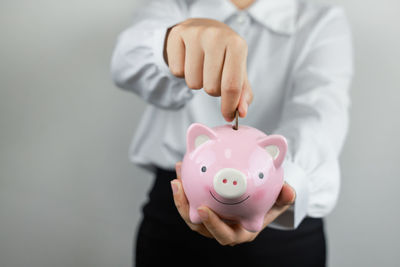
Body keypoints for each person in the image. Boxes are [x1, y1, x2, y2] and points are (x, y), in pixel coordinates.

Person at [111, 0, 353, 266]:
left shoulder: (321, 18)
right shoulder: (174, 5)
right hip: (177, 207)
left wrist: (277, 183)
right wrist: (172, 42)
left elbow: (320, 113)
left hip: (283, 215)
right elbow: (125, 61)